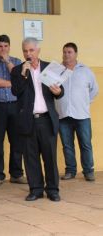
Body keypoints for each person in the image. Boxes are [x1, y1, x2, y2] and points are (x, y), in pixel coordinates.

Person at [11, 37, 64, 202]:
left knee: (50, 157)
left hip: (46, 119)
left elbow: (60, 91)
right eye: (25, 51)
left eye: (31, 50)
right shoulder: (17, 70)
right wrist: (23, 75)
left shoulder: (49, 67)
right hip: (28, 120)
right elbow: (16, 92)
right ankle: (36, 189)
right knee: (31, 157)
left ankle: (53, 190)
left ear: (38, 50)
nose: (28, 54)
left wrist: (57, 92)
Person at [0, 34, 26, 186]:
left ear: (9, 47)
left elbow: (20, 79)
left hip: (15, 106)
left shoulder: (17, 62)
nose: (3, 49)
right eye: (0, 46)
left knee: (16, 140)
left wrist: (8, 62)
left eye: (5, 46)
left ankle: (16, 174)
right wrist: (13, 83)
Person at [56, 42, 99, 181]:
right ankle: (70, 171)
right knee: (67, 145)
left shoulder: (85, 71)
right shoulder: (56, 70)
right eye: (64, 52)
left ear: (76, 54)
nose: (66, 54)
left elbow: (94, 90)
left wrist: (85, 103)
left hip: (82, 115)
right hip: (63, 114)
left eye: (69, 52)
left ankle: (88, 171)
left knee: (85, 144)